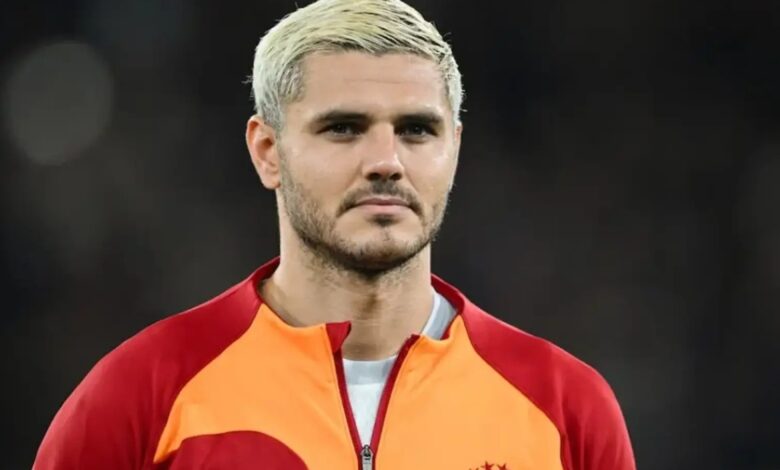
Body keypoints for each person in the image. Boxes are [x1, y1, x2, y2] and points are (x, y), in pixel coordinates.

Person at [34, 0, 636, 469]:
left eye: (417, 130)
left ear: (454, 148)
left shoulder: (564, 407)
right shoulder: (142, 396)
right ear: (268, 151)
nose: (386, 161)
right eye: (344, 128)